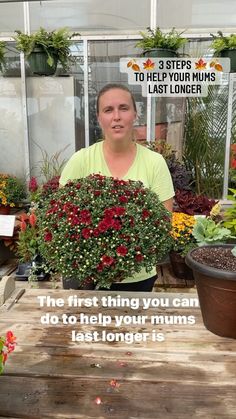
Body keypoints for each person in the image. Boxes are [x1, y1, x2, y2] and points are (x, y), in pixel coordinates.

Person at [59, 83, 174, 291]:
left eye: (123, 108)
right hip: (85, 278)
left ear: (135, 114)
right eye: (108, 110)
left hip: (137, 276)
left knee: (134, 324)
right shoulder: (81, 160)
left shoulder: (154, 162)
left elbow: (164, 221)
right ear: (99, 117)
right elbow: (61, 215)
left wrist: (127, 253)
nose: (116, 116)